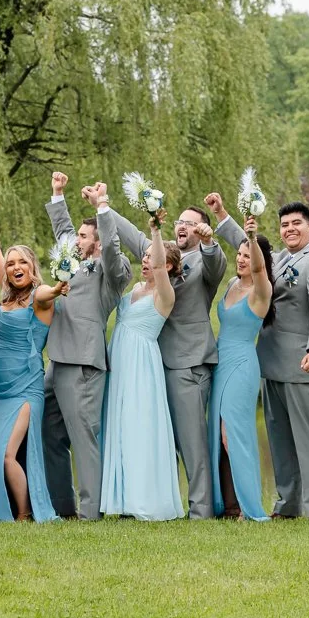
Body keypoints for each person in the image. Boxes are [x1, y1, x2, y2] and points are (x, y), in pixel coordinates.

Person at [212, 196, 309, 519]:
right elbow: (250, 250)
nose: (290, 229)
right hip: (268, 363)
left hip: (301, 363)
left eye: (297, 223)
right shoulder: (279, 261)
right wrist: (223, 216)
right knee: (279, 441)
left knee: (308, 441)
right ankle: (287, 504)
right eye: (284, 225)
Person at [106, 200, 226, 518]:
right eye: (179, 222)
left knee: (192, 440)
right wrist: (104, 207)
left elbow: (216, 263)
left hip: (187, 361)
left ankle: (201, 509)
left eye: (190, 223)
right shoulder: (161, 251)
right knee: (155, 437)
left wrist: (211, 240)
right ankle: (158, 500)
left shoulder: (206, 261)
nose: (182, 226)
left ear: (201, 231)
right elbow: (133, 235)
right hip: (148, 362)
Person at [41, 175, 132, 521]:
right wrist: (58, 194)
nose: (74, 240)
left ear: (96, 242)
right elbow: (64, 232)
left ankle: (91, 511)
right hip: (57, 358)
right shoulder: (73, 261)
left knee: (83, 437)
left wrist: (103, 208)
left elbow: (111, 248)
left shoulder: (113, 270)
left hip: (83, 361)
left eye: (82, 236)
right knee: (49, 431)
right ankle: (62, 506)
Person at [0, 245, 67, 521]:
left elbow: (48, 292)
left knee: (6, 454)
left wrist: (59, 287)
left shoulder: (39, 296)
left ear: (32, 266)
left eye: (22, 262)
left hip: (24, 388)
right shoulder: (7, 297)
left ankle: (24, 514)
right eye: (11, 263)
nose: (16, 267)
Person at [101, 213, 184, 521]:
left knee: (141, 426)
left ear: (169, 265)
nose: (147, 261)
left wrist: (155, 231)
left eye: (153, 257)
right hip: (120, 360)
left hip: (142, 365)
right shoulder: (133, 288)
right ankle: (122, 501)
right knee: (120, 425)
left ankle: (144, 500)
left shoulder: (165, 294)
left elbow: (160, 266)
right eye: (145, 255)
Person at [208, 215, 274, 521]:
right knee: (217, 436)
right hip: (220, 365)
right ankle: (226, 505)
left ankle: (251, 508)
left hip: (242, 366)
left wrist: (251, 235)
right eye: (240, 254)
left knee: (232, 435)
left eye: (248, 255)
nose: (242, 259)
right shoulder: (233, 283)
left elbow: (260, 269)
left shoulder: (261, 292)